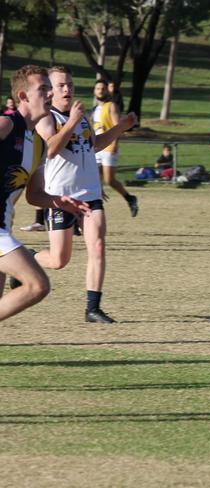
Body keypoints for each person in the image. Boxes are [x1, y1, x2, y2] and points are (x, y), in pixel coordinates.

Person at [25, 65, 138, 324]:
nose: (68, 89)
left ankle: (92, 308)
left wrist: (122, 126)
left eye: (70, 85)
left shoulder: (82, 116)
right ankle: (29, 258)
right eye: (61, 85)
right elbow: (50, 149)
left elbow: (95, 144)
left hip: (90, 195)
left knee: (97, 245)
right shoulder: (47, 118)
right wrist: (73, 122)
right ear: (50, 92)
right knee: (58, 260)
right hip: (61, 198)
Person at [0, 65, 88, 321]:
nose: (50, 94)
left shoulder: (37, 143)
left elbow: (34, 195)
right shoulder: (7, 124)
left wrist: (61, 202)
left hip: (5, 226)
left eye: (50, 88)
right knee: (37, 285)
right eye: (43, 89)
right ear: (23, 97)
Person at [92, 79, 139, 217]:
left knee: (109, 180)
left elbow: (117, 127)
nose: (100, 91)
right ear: (94, 91)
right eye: (98, 88)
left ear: (108, 91)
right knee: (91, 179)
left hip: (108, 147)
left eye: (103, 88)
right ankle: (87, 213)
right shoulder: (95, 108)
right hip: (97, 147)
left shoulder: (111, 106)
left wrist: (114, 144)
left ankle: (130, 198)